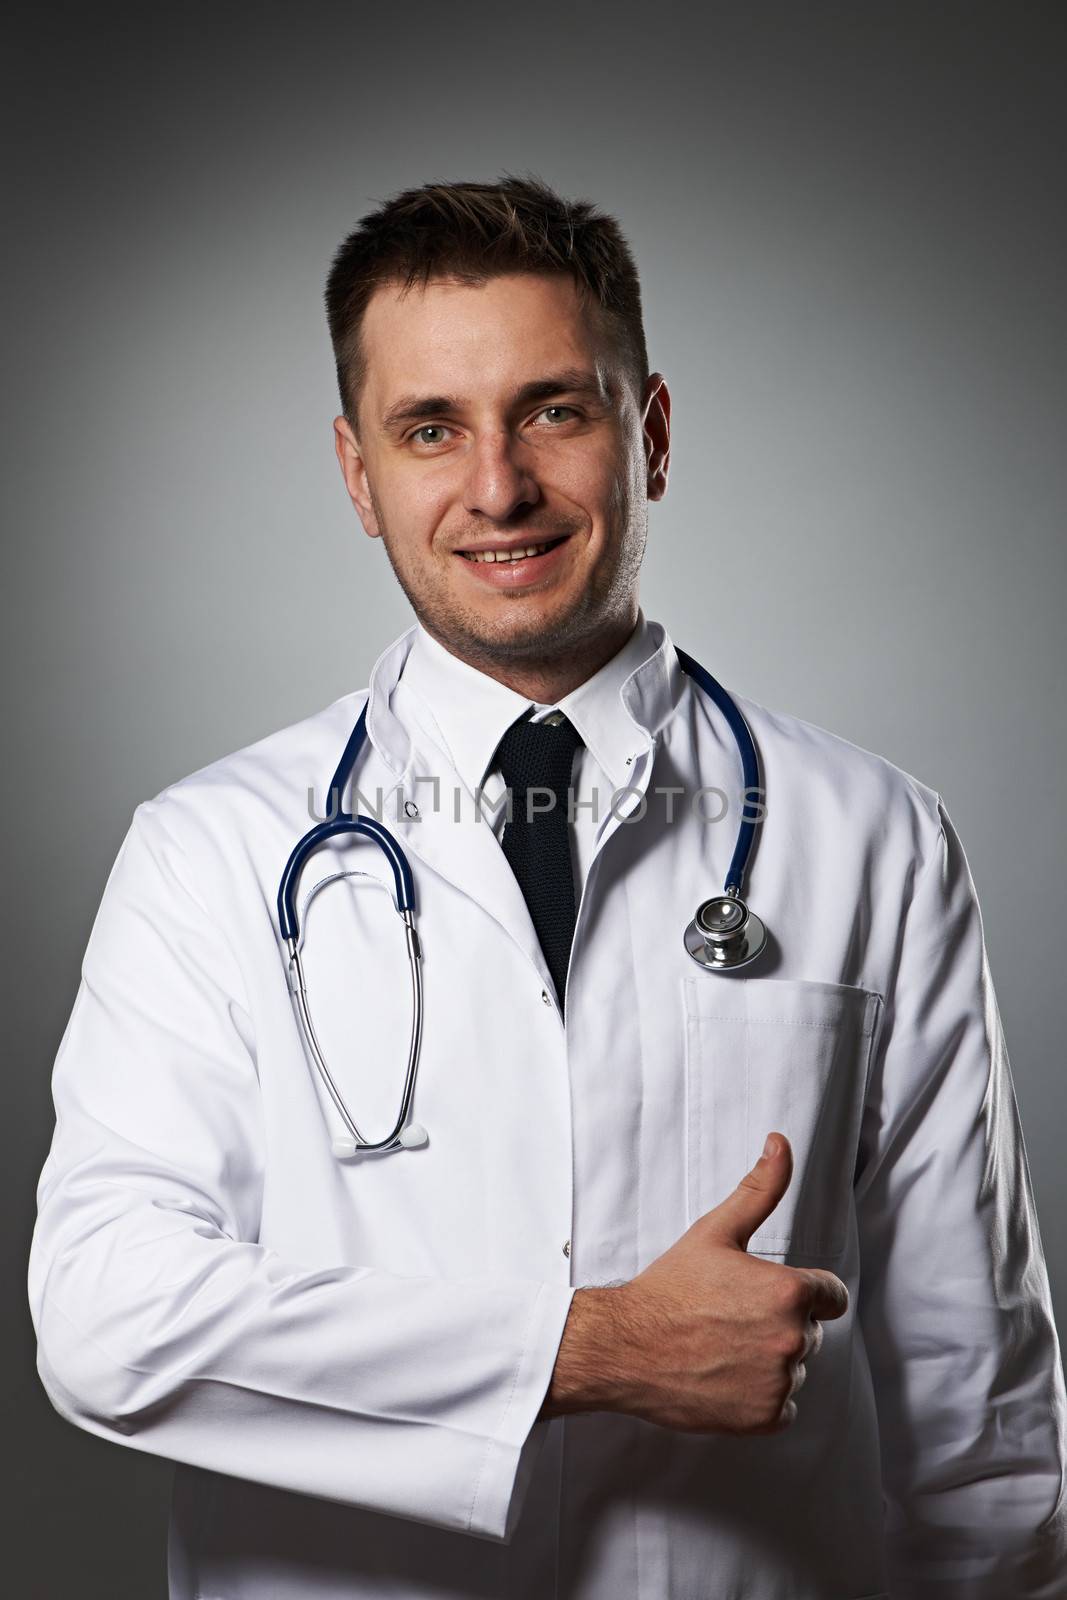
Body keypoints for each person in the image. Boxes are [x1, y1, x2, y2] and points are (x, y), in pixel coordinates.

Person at [27, 173, 1066, 1600]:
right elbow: (108, 1320)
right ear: (356, 473)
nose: (498, 487)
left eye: (554, 411)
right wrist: (597, 1351)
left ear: (650, 434)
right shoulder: (209, 850)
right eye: (430, 428)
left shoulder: (874, 835)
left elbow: (981, 1421)